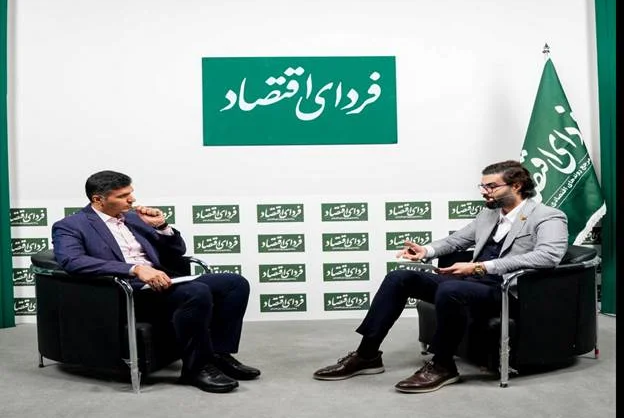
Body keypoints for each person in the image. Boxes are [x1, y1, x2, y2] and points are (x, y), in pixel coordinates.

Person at [313, 160, 568, 393]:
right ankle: (367, 354)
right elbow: (457, 240)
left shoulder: (548, 216)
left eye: (491, 186)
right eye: (482, 186)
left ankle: (443, 365)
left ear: (517, 186)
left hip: (506, 290)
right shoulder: (489, 214)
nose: (484, 192)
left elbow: (548, 256)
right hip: (473, 283)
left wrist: (481, 267)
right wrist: (426, 251)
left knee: (451, 290)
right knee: (399, 278)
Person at [52, 170, 260, 394]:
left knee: (234, 283)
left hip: (163, 281)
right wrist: (134, 269)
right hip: (125, 290)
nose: (131, 199)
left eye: (131, 193)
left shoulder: (133, 218)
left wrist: (161, 226)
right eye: (123, 196)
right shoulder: (71, 225)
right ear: (98, 199)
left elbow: (177, 252)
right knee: (195, 292)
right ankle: (196, 368)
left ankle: (218, 355)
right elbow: (73, 261)